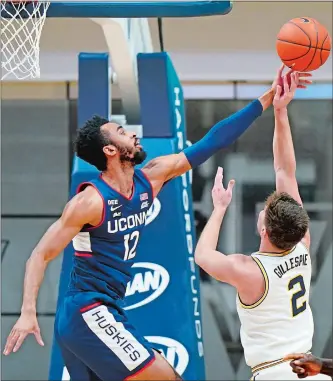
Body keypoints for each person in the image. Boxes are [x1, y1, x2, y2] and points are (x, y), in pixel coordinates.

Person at [3, 77, 276, 381]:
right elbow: (40, 255)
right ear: (109, 150)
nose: (132, 134)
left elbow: (211, 142)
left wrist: (267, 99)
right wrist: (28, 311)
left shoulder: (152, 178)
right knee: (167, 377)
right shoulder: (89, 202)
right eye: (122, 133)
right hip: (87, 311)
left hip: (107, 311)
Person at [194, 67, 330, 380]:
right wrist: (281, 112)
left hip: (275, 373)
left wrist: (219, 208)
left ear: (263, 229)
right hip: (311, 372)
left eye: (264, 210)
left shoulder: (249, 270)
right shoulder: (302, 246)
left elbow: (202, 256)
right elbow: (285, 171)